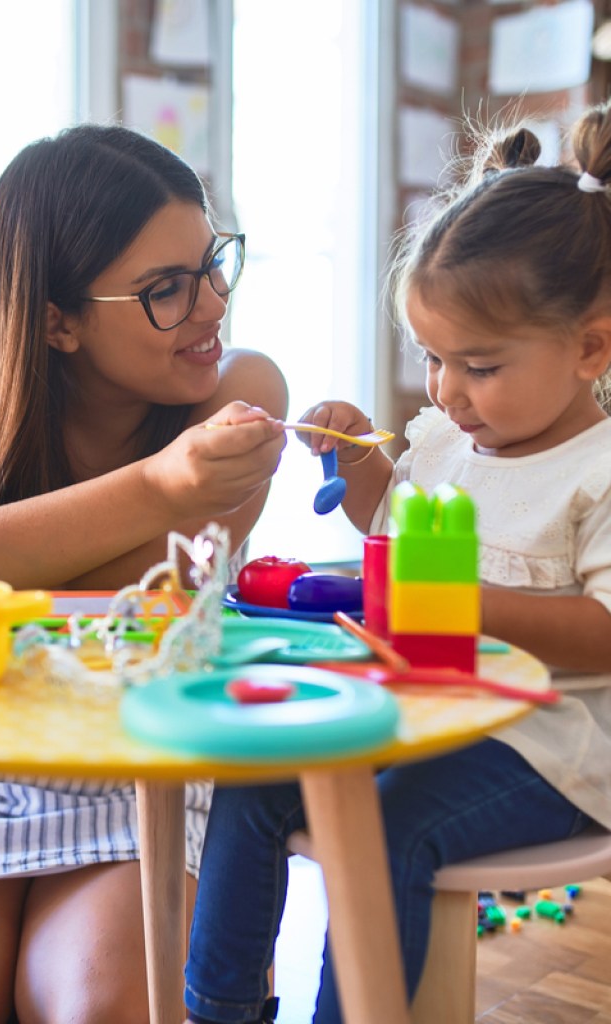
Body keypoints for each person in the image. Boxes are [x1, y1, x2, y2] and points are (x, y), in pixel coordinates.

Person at [182, 104, 611, 1024]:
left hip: (552, 746)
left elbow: (606, 636)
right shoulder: (449, 441)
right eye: (432, 358)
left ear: (591, 347)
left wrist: (459, 602)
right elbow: (400, 526)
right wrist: (363, 462)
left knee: (384, 830)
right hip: (424, 710)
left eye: (480, 366)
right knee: (251, 777)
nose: (448, 391)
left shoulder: (599, 470)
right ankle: (219, 1010)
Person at [0, 123, 288, 1024]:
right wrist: (157, 486)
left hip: (141, 763)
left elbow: (149, 598)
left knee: (98, 1005)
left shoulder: (240, 393)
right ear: (56, 319)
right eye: (165, 290)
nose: (212, 303)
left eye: (213, 264)